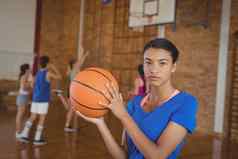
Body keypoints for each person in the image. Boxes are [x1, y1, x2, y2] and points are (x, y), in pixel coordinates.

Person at [75, 38, 198, 159]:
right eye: (148, 62)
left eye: (162, 63)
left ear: (173, 67)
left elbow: (157, 155)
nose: (154, 70)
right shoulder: (135, 103)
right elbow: (123, 155)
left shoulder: (186, 103)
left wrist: (123, 116)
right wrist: (100, 123)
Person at [18, 55, 62, 146]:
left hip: (35, 98)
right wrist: (54, 67)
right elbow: (60, 77)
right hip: (43, 100)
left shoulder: (37, 73)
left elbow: (33, 85)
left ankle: (24, 134)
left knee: (32, 117)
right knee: (42, 118)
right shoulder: (48, 73)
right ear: (48, 64)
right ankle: (37, 139)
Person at [55, 45, 89, 132]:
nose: (78, 63)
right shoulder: (75, 68)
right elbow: (81, 61)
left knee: (70, 108)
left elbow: (80, 62)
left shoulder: (70, 70)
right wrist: (84, 54)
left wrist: (82, 52)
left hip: (70, 89)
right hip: (74, 90)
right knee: (71, 109)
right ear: (74, 64)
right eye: (76, 62)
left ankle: (60, 96)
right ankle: (67, 126)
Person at [15, 64, 32, 139]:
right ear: (26, 70)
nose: (30, 69)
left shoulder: (27, 76)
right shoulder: (24, 77)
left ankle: (19, 131)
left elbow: (27, 89)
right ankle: (18, 133)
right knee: (20, 115)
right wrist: (30, 83)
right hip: (22, 97)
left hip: (24, 97)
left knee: (22, 115)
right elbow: (23, 88)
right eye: (29, 68)